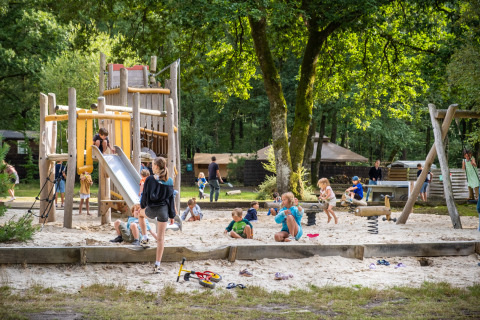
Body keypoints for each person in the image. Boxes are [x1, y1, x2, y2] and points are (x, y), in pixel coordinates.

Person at [139, 156, 175, 274]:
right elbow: (171, 199)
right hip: (163, 211)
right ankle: (157, 265)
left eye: (153, 164)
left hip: (151, 209)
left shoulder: (149, 179)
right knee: (161, 239)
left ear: (157, 166)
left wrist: (142, 206)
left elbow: (145, 196)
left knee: (140, 214)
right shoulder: (169, 180)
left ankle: (144, 238)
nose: (152, 166)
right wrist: (172, 215)